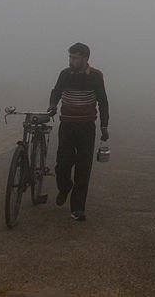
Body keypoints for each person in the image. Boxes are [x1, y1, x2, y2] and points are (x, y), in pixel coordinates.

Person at [47, 42, 110, 222]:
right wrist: (52, 106)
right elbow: (56, 92)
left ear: (85, 59)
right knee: (62, 164)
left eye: (74, 58)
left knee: (83, 168)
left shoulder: (96, 76)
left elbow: (103, 101)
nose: (71, 61)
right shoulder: (65, 75)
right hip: (67, 125)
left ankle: (78, 208)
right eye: (70, 57)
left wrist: (104, 126)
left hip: (86, 127)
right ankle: (64, 187)